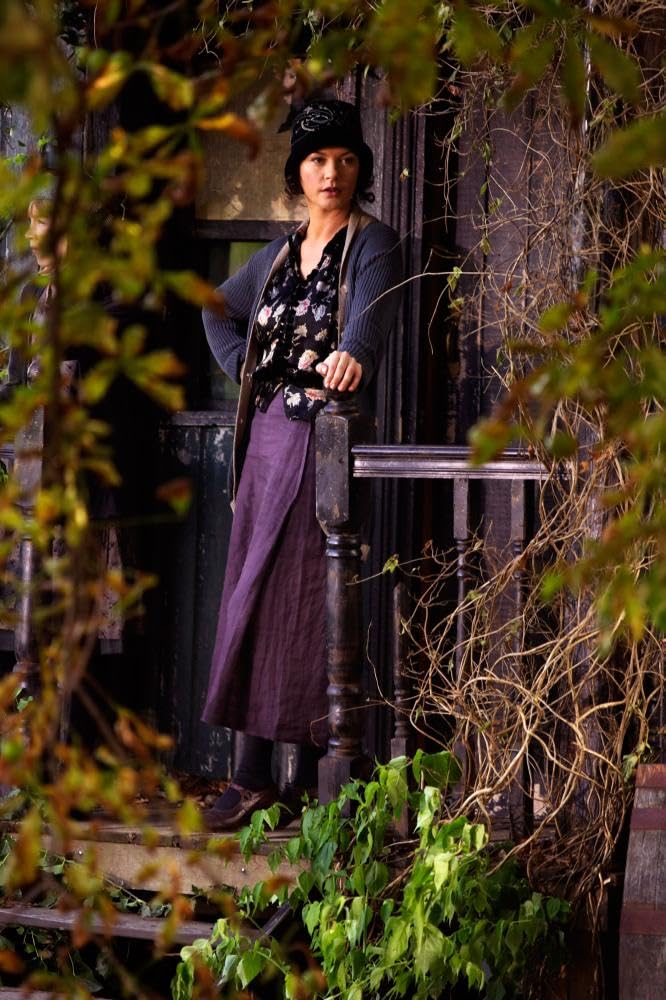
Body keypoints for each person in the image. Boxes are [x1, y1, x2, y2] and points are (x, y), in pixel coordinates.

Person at [201, 99, 403, 829]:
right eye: (317, 160)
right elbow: (214, 307)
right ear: (297, 172)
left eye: (346, 159)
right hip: (264, 442)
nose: (331, 173)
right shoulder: (279, 255)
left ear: (360, 168)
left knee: (307, 606)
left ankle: (312, 782)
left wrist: (352, 356)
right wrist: (244, 371)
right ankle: (254, 776)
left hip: (321, 442)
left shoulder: (372, 244)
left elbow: (366, 326)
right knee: (251, 594)